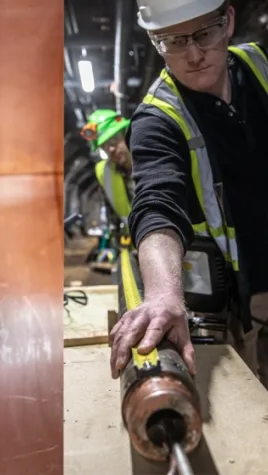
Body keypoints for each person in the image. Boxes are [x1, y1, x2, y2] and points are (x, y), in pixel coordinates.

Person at [110, 0, 268, 386]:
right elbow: (157, 206)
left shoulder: (259, 64)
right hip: (252, 295)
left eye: (204, 34)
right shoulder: (156, 120)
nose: (194, 54)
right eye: (174, 41)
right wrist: (163, 294)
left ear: (228, 21)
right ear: (154, 41)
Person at [81, 109, 134, 230]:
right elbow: (113, 212)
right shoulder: (104, 172)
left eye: (114, 141)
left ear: (127, 135)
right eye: (104, 146)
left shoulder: (152, 158)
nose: (110, 149)